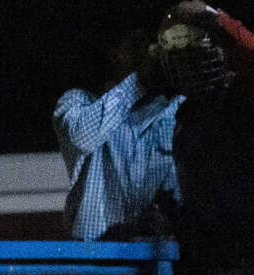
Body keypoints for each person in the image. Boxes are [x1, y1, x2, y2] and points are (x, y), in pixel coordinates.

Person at [156, 2, 254, 275]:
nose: (189, 67)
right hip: (212, 253)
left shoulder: (241, 96)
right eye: (181, 60)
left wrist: (214, 16)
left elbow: (253, 55)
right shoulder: (182, 115)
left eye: (194, 57)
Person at [54, 31, 183, 241]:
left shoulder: (170, 111)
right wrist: (138, 81)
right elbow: (82, 136)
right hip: (96, 262)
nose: (146, 53)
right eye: (134, 45)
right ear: (113, 55)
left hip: (152, 263)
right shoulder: (78, 101)